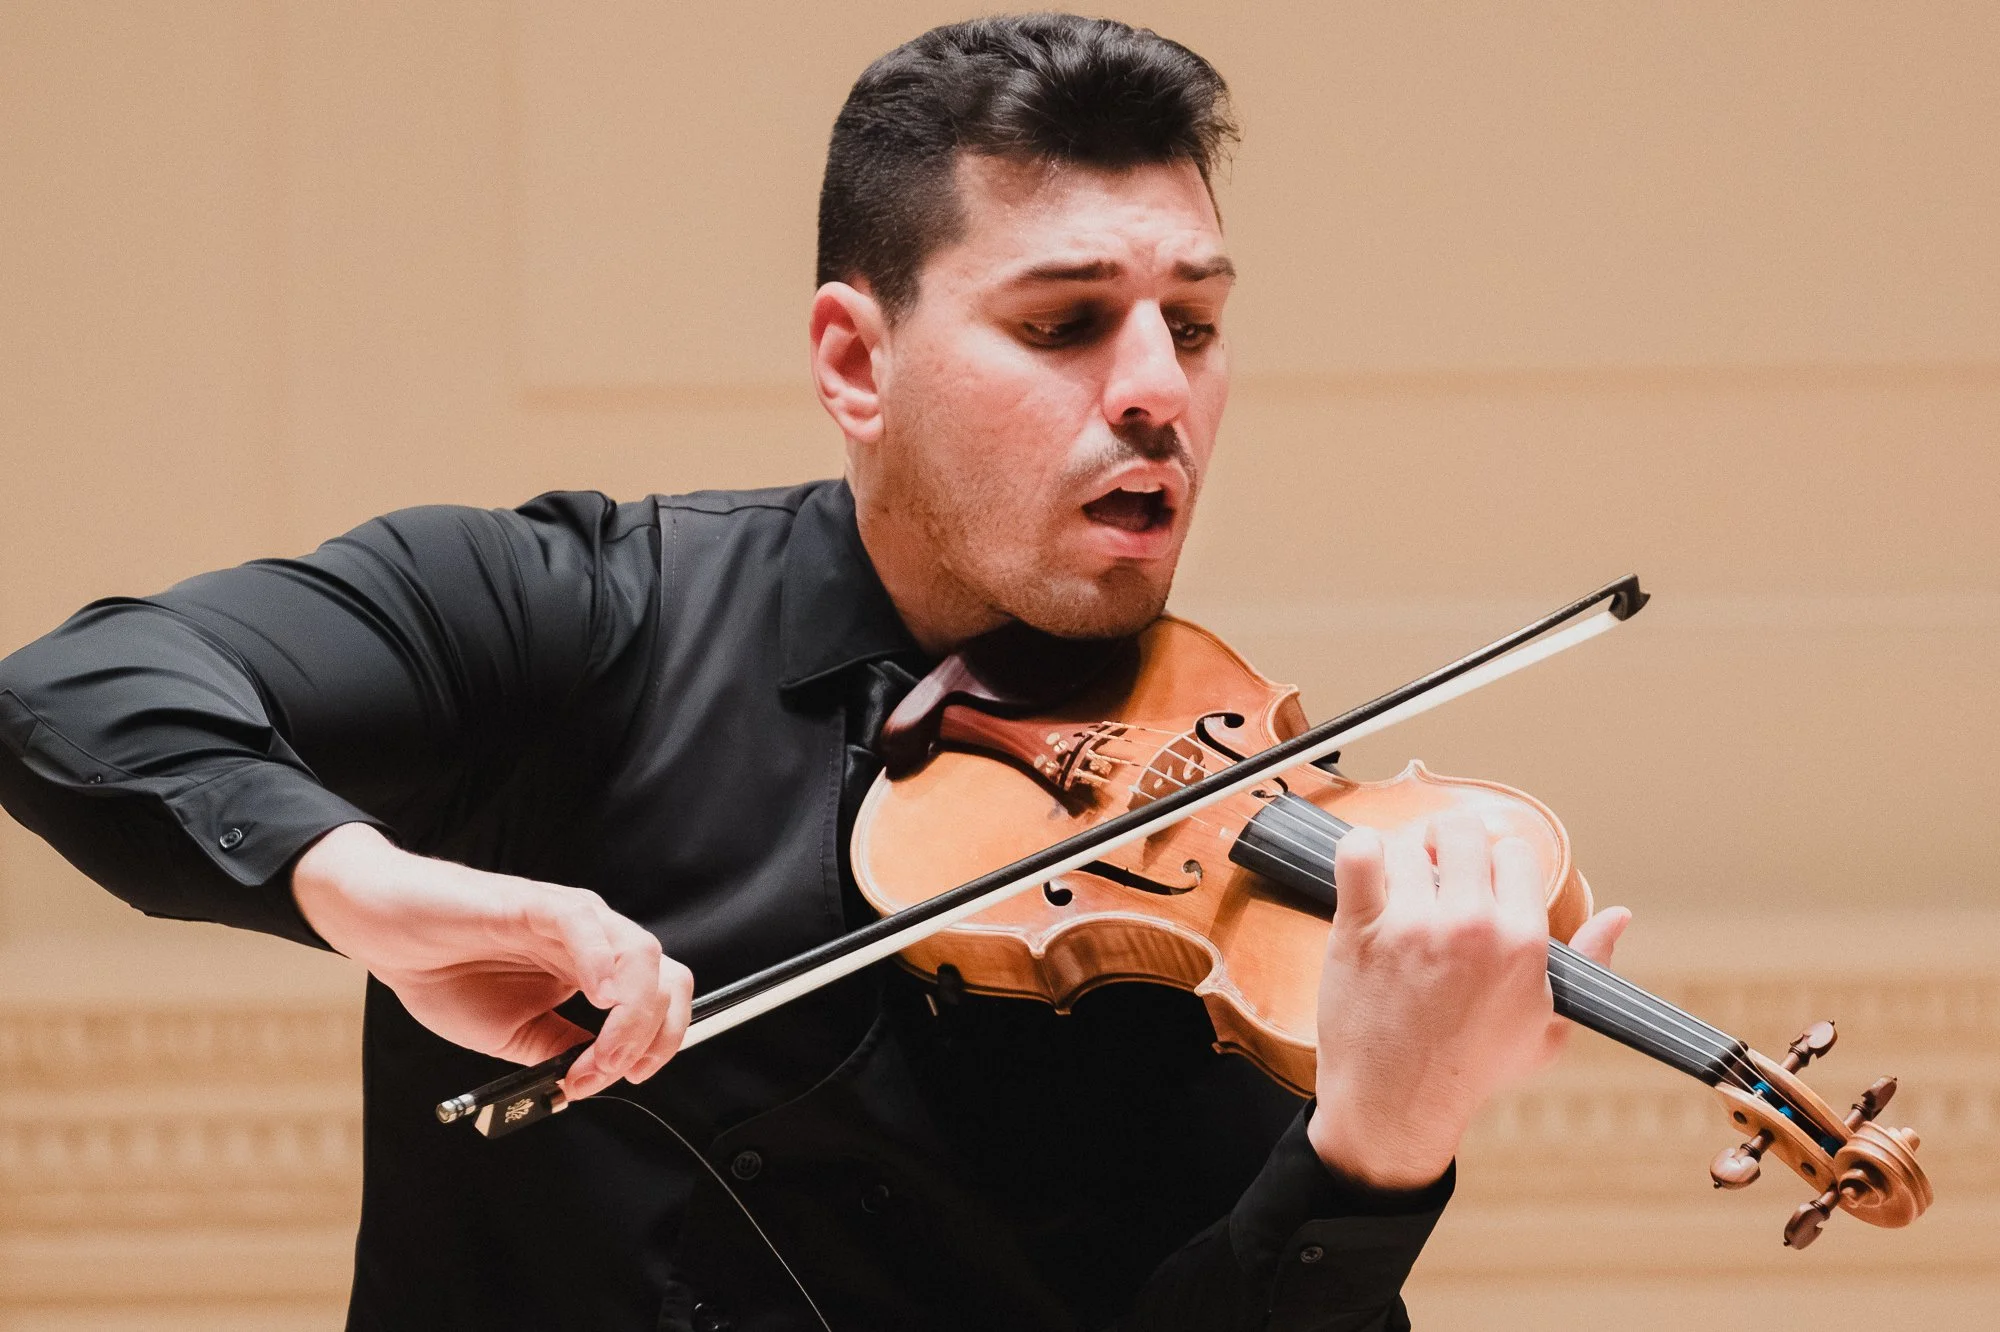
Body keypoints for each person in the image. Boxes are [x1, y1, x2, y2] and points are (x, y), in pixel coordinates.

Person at [0, 15, 1627, 1331]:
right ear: (856, 361)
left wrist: (1374, 1149)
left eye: (1192, 328)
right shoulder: (581, 612)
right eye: (1067, 324)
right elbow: (77, 690)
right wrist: (375, 893)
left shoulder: (1234, 903)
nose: (1155, 393)